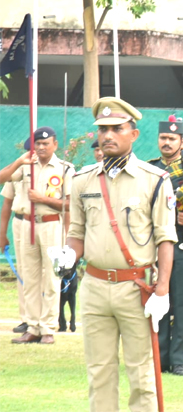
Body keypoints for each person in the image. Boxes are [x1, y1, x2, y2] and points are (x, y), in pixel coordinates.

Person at [65, 97, 176, 411]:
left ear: (134, 134)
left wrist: (163, 291)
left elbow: (165, 238)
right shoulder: (81, 180)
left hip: (136, 287)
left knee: (142, 371)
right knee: (99, 370)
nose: (108, 135)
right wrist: (68, 256)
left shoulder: (155, 180)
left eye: (116, 128)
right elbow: (76, 233)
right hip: (95, 286)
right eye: (102, 129)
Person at [148, 115, 183, 376]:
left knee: (181, 303)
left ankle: (178, 359)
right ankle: (158, 358)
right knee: (157, 300)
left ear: (182, 141)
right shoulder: (148, 170)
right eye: (163, 138)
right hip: (154, 246)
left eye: (172, 138)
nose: (167, 142)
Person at [6, 127, 75, 345]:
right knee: (30, 278)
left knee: (52, 279)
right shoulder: (26, 167)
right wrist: (18, 162)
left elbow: (70, 204)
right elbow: (2, 178)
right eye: (38, 143)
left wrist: (43, 199)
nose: (41, 147)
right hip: (27, 226)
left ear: (55, 145)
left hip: (52, 226)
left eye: (46, 143)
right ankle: (32, 326)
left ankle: (48, 328)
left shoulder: (65, 169)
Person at [1, 180, 28, 334]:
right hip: (21, 220)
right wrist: (2, 233)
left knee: (47, 272)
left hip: (48, 222)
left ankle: (47, 319)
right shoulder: (17, 170)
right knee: (23, 271)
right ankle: (26, 319)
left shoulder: (60, 169)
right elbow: (7, 203)